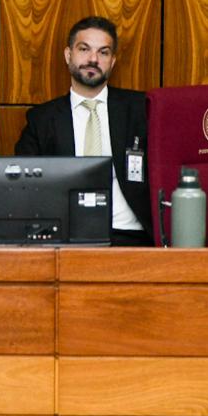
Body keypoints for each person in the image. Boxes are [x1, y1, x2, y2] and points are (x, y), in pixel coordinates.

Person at [14, 16, 151, 246]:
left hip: (130, 236)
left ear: (113, 61)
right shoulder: (42, 119)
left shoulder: (140, 110)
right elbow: (22, 185)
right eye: (84, 49)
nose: (93, 59)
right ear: (68, 55)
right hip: (65, 237)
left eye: (104, 52)